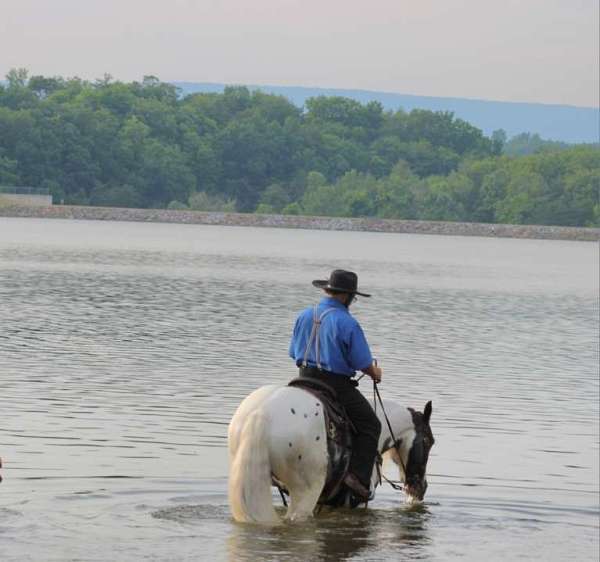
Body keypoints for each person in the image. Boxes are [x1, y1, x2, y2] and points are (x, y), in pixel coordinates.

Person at [289, 269, 383, 501]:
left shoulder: (303, 315)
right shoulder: (347, 322)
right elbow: (361, 361)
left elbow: (293, 353)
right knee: (371, 426)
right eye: (353, 297)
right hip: (334, 385)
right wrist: (375, 373)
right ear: (346, 296)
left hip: (302, 380)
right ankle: (358, 479)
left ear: (327, 290)